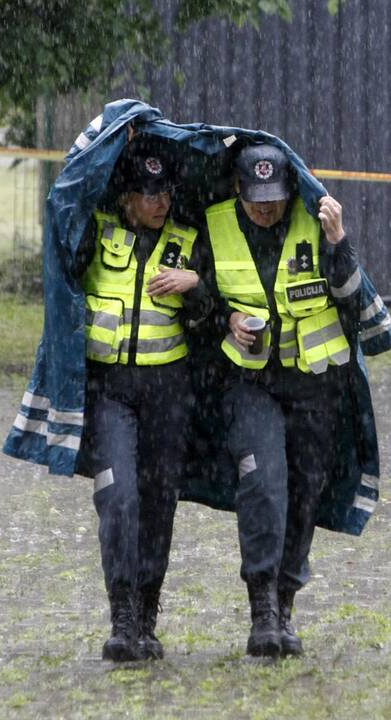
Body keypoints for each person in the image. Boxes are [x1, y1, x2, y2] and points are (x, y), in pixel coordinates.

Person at [197, 142, 362, 657]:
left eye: (275, 199)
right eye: (255, 200)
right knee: (263, 486)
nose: (266, 209)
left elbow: (353, 300)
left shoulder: (315, 222)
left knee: (304, 494)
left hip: (313, 385)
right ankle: (262, 608)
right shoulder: (214, 223)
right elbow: (198, 298)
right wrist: (226, 317)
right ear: (238, 191)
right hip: (248, 384)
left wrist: (338, 240)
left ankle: (286, 601)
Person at [72, 138, 203, 662]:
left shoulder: (190, 241)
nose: (160, 202)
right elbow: (64, 253)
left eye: (165, 192)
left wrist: (196, 286)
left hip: (167, 393)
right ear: (126, 196)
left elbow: (213, 318)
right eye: (149, 193)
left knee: (157, 505)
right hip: (111, 392)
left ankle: (147, 616)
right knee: (118, 499)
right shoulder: (98, 232)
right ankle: (121, 617)